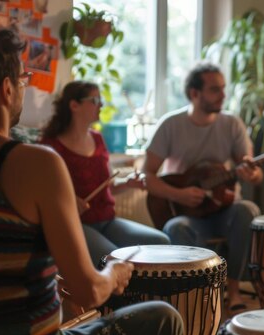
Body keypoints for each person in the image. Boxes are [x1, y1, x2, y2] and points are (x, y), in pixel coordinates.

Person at [0, 25, 183, 335]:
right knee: (165, 318)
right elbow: (89, 291)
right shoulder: (38, 162)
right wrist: (113, 272)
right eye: (22, 80)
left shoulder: (84, 144)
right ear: (6, 90)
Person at [143, 62, 263, 315]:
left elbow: (252, 170)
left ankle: (233, 291)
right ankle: (194, 299)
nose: (223, 95)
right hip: (188, 214)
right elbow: (148, 176)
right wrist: (179, 194)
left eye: (223, 89)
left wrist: (252, 173)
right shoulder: (171, 125)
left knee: (248, 210)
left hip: (225, 210)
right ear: (194, 94)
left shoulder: (232, 124)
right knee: (175, 227)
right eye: (214, 90)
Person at [40, 81, 171, 266]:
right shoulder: (51, 146)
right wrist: (69, 201)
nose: (101, 105)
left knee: (161, 243)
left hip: (107, 220)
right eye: (94, 100)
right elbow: (43, 192)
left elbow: (107, 186)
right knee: (112, 260)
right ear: (74, 105)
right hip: (75, 224)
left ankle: (152, 295)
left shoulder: (97, 138)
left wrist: (128, 183)